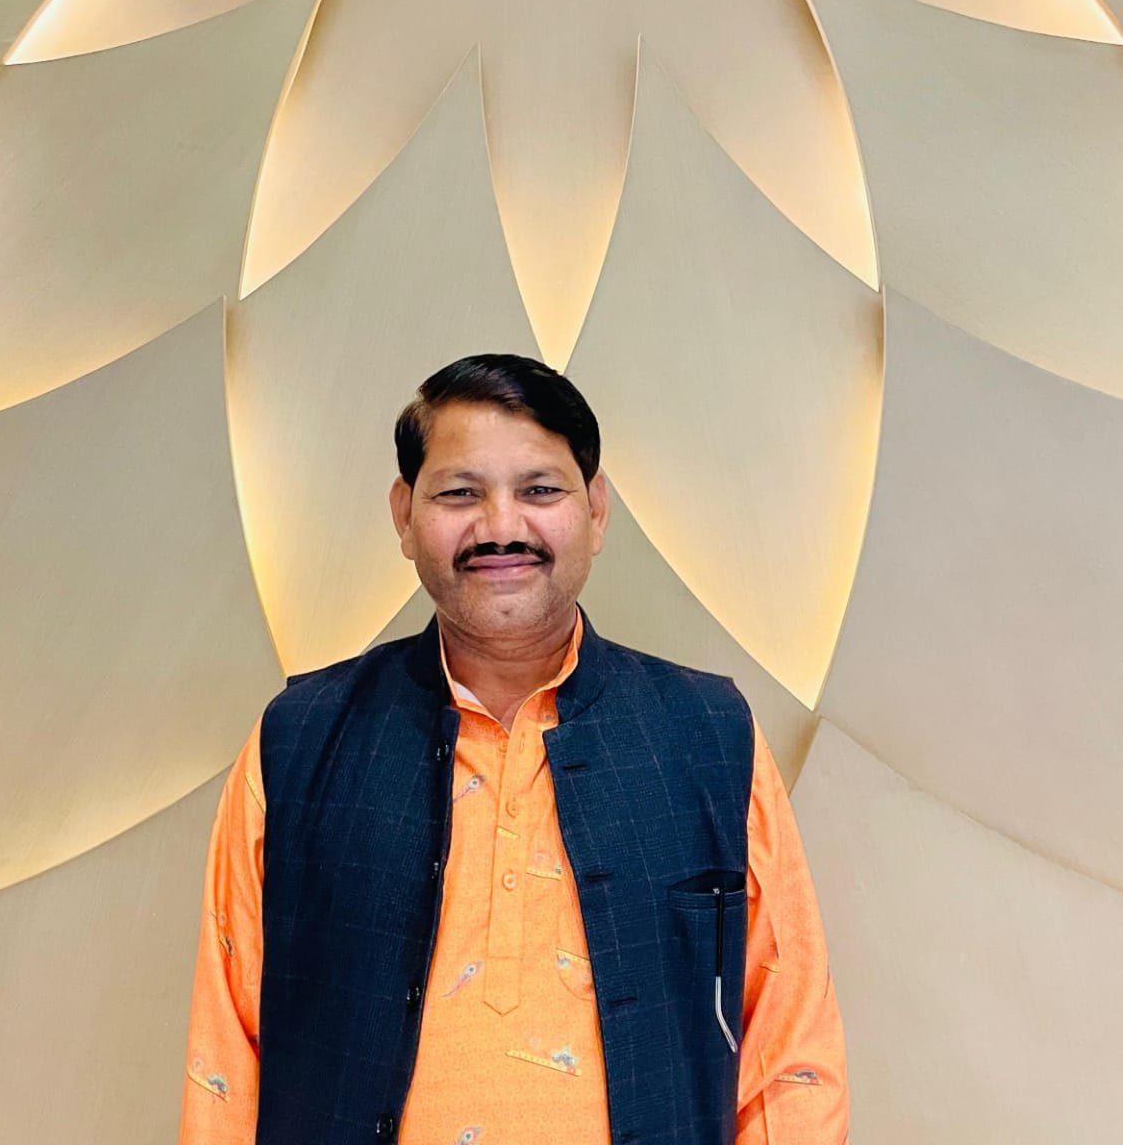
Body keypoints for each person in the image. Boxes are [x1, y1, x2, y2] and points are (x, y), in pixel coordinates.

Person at [179, 354, 848, 1145]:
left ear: (595, 511)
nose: (500, 527)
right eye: (459, 493)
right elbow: (225, 1056)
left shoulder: (708, 733)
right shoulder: (299, 738)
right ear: (403, 515)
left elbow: (787, 1049)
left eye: (539, 491)